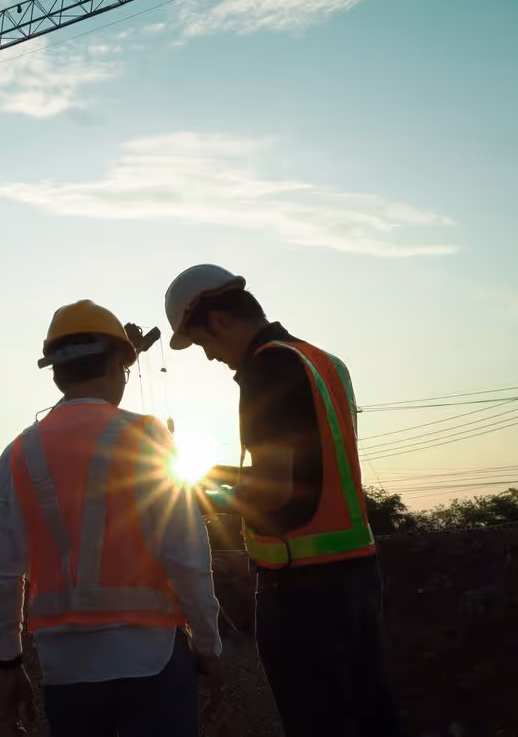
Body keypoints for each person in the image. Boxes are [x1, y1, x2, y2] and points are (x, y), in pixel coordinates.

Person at [162, 264, 404, 737]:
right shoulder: (324, 361)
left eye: (203, 343)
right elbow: (314, 472)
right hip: (356, 575)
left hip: (301, 589)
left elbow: (277, 495)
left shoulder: (266, 368)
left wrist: (201, 493)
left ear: (217, 321)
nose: (209, 357)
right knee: (373, 715)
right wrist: (222, 473)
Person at [0, 299, 225, 736]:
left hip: (65, 670)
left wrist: (8, 661)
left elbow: (3, 572)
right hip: (150, 660)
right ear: (119, 361)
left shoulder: (18, 454)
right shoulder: (148, 436)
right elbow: (186, 555)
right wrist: (208, 646)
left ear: (56, 373)